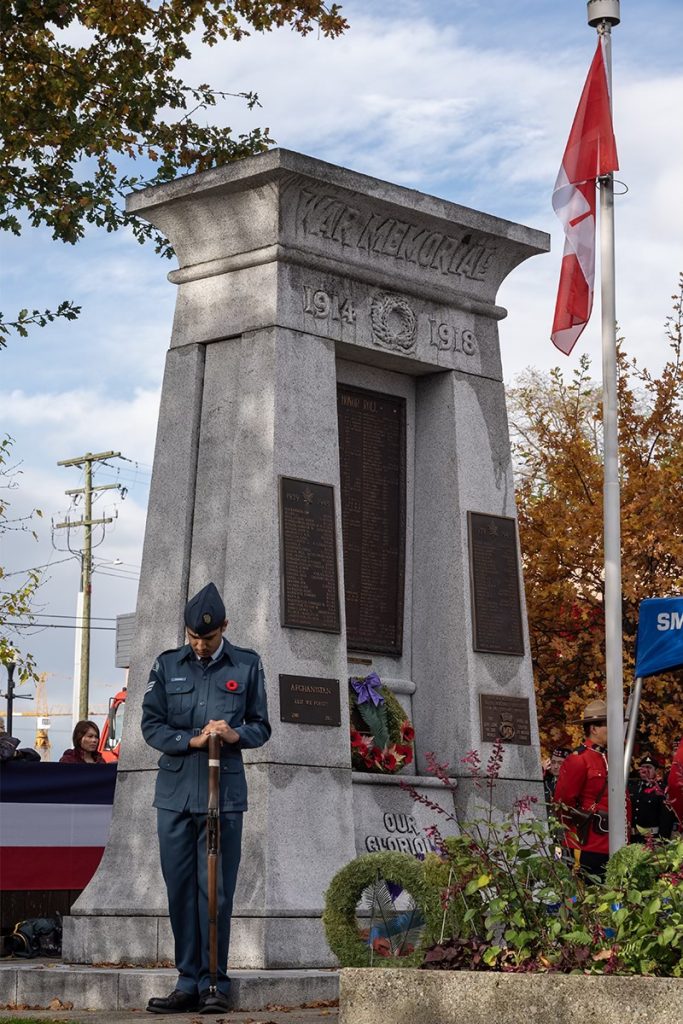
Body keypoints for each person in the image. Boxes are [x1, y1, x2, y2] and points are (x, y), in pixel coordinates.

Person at [141, 582, 271, 1015]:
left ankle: (215, 982)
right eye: (193, 637)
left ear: (225, 629)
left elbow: (261, 725)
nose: (199, 645)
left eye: (208, 639)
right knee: (180, 892)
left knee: (215, 892)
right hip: (176, 796)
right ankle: (186, 982)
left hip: (224, 796)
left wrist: (235, 734)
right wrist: (191, 739)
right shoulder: (166, 665)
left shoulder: (248, 666)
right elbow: (152, 726)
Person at [553, 698, 630, 882]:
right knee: (585, 902)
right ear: (593, 729)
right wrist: (575, 835)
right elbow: (563, 803)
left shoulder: (612, 758)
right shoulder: (579, 759)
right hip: (586, 844)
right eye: (609, 724)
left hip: (613, 844)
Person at [627, 754, 674, 843]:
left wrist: (662, 841)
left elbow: (666, 820)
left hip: (652, 839)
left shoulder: (662, 790)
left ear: (655, 771)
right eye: (643, 767)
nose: (645, 770)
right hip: (633, 838)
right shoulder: (632, 788)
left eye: (649, 767)